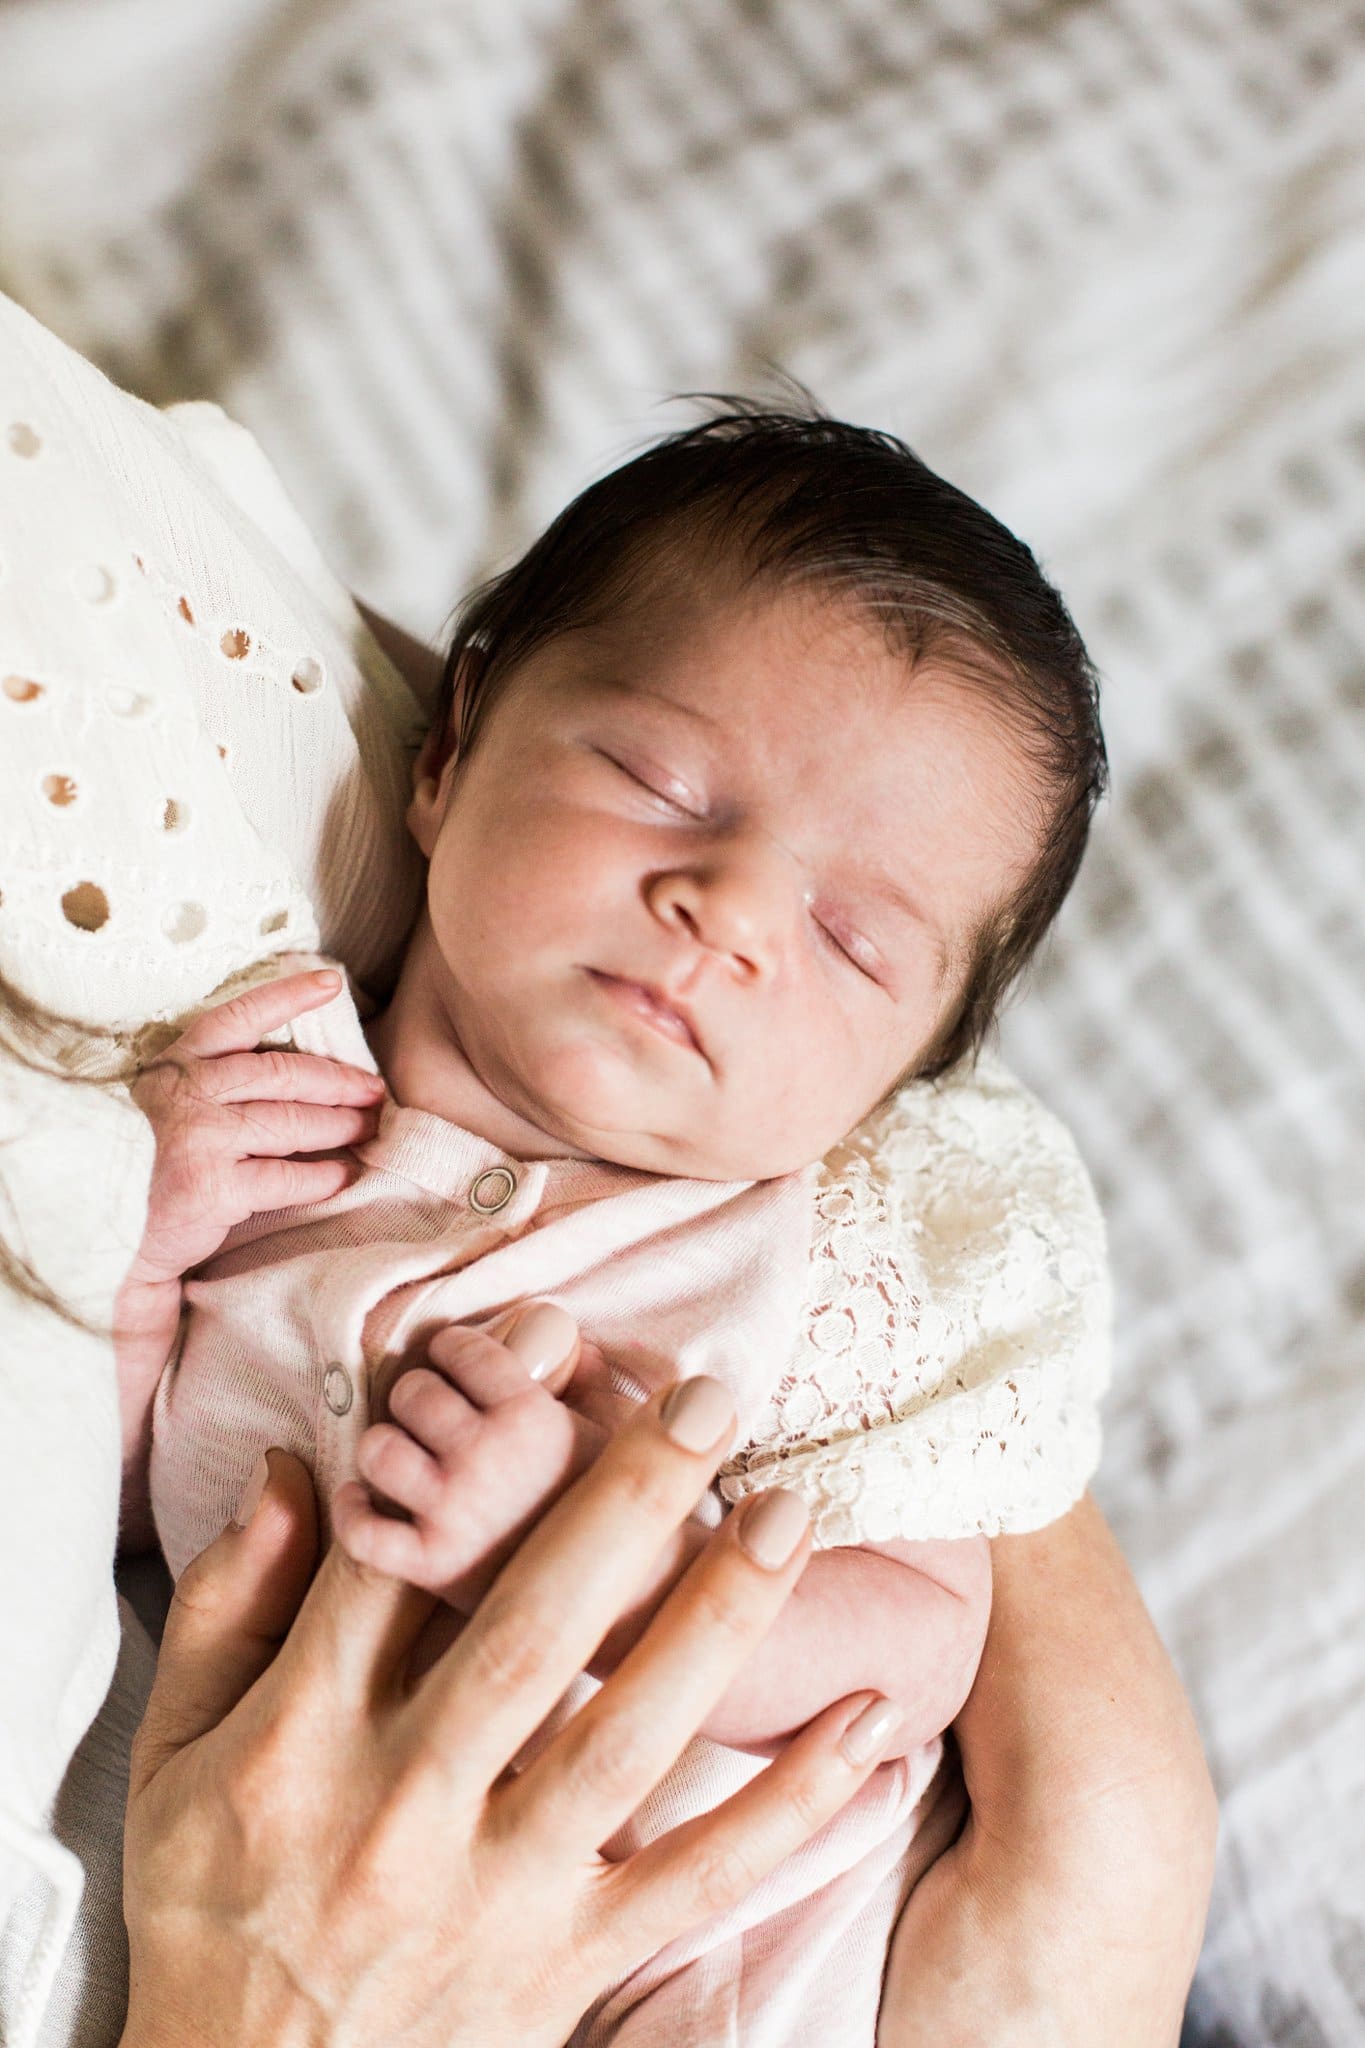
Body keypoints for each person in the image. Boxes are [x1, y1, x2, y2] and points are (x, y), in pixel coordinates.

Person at [114, 410, 1125, 2042]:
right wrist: (133, 1258)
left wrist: (611, 1553)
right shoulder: (271, 1106)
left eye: (853, 940)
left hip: (742, 1974)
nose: (724, 912)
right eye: (659, 781)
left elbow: (923, 1642)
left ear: (901, 1076)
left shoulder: (851, 1255)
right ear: (447, 753)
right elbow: (108, 1511)